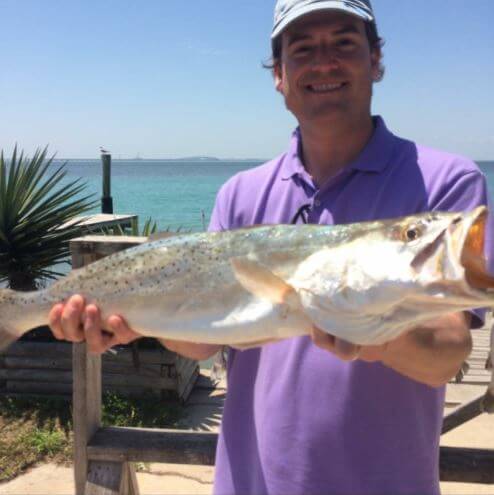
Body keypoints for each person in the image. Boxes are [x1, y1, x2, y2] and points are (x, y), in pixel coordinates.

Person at [49, 1, 493, 494]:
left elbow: (448, 354)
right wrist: (130, 322)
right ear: (280, 74)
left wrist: (379, 337)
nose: (325, 62)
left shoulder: (445, 186)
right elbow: (202, 340)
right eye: (303, 49)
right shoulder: (241, 194)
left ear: (375, 59)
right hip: (251, 481)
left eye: (344, 43)